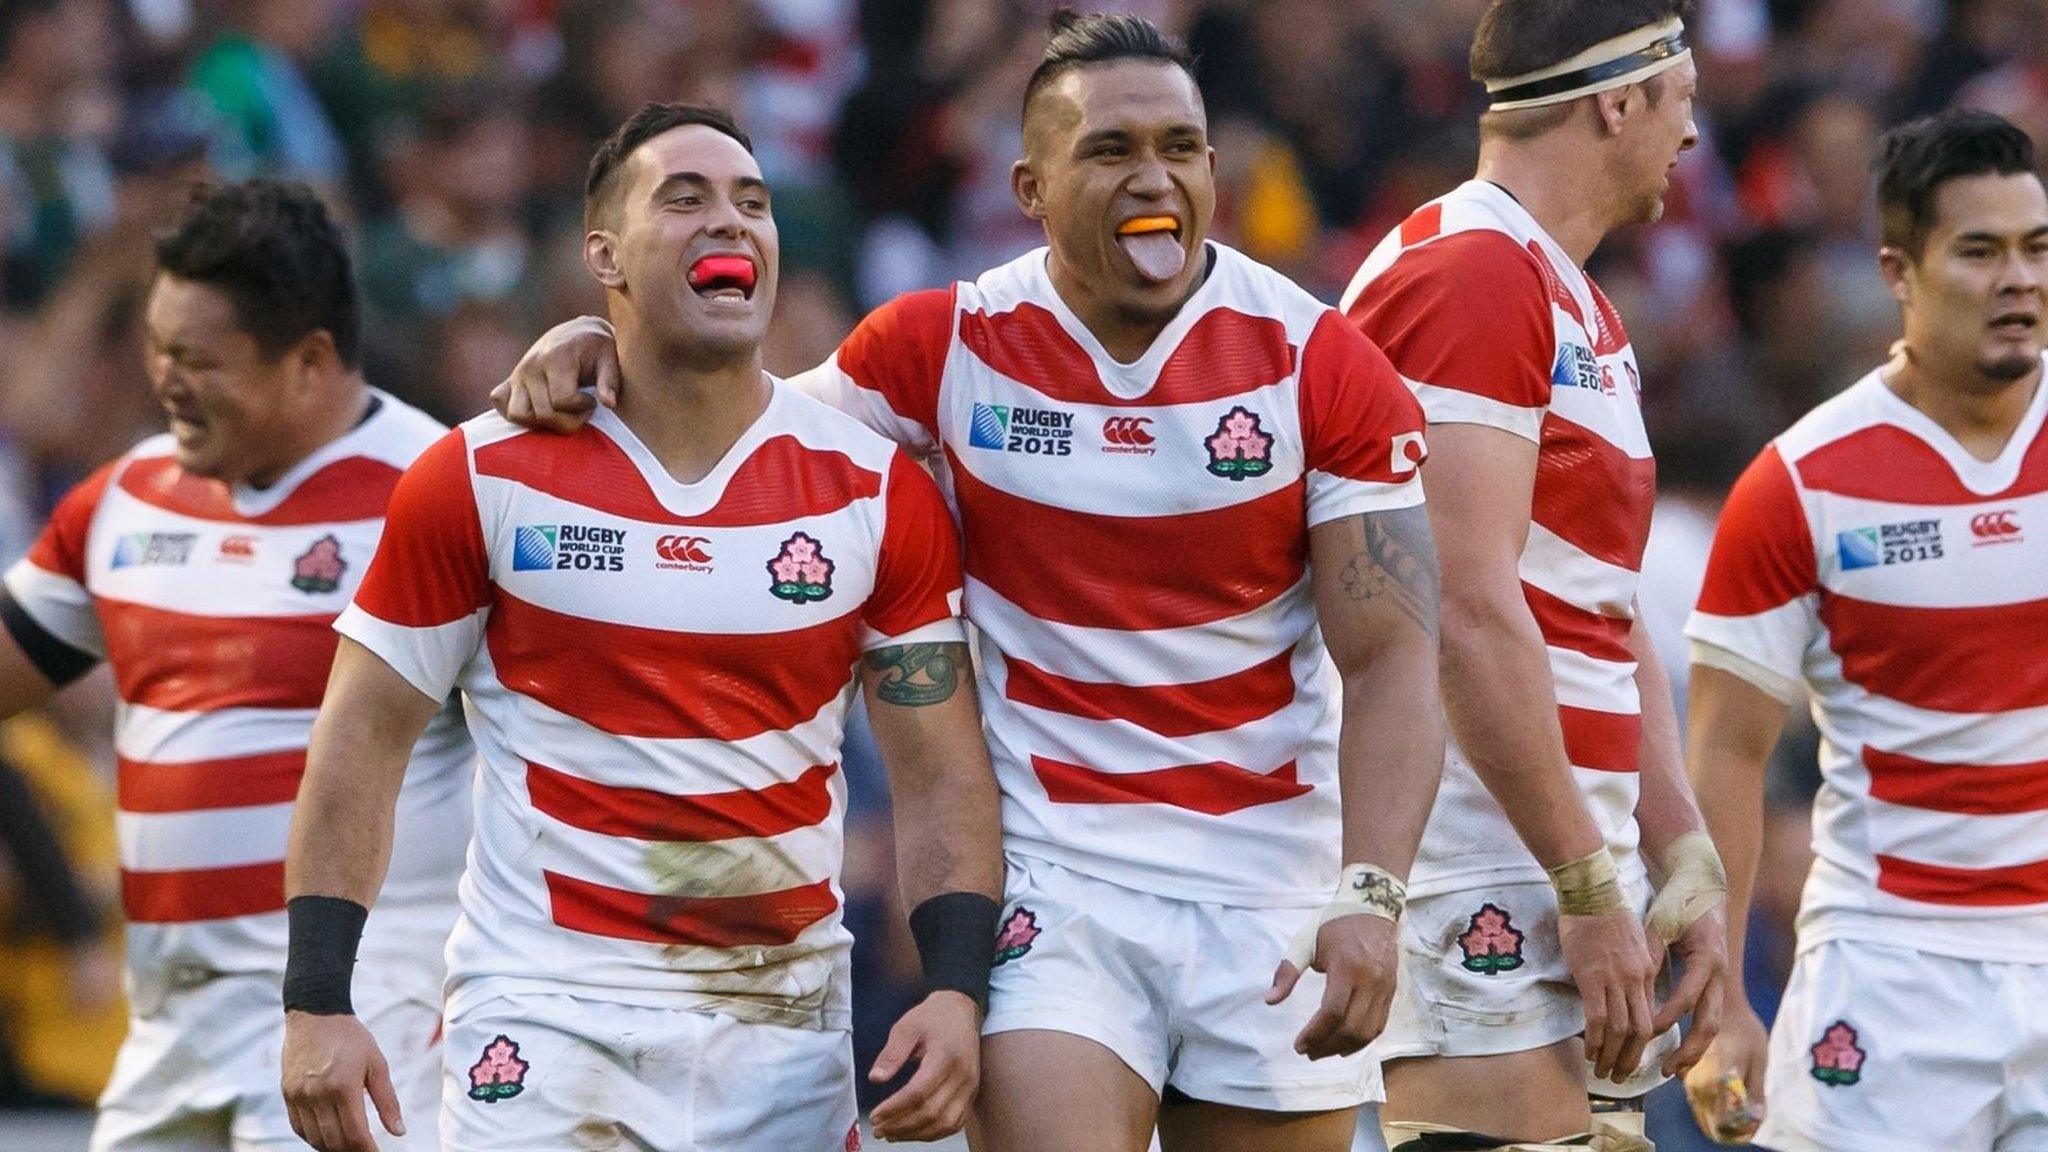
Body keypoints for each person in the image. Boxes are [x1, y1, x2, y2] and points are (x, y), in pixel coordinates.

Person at [495, 13, 1446, 1152]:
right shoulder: (943, 347)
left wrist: (1373, 895)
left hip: (1269, 887)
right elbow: (738, 436)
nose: (1154, 179)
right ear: (1031, 185)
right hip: (1057, 884)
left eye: (1178, 147)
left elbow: (1391, 654)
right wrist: (602, 345)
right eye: (1109, 152)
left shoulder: (1314, 360)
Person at [276, 103, 1004, 1152]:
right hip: (542, 1015)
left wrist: (954, 989)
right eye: (686, 198)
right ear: (603, 256)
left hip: (781, 1026)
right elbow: (358, 738)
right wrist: (315, 1000)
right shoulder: (480, 473)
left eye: (752, 203)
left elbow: (937, 771)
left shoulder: (870, 491)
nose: (731, 222)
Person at [0, 178, 469, 1152]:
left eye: (197, 358)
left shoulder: (446, 495)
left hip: (362, 1023)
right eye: (155, 347)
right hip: (168, 1031)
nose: (164, 379)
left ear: (310, 362)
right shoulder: (126, 498)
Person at [1338, 2, 1729, 1147]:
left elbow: (1599, 613)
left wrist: (1680, 866)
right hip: (1476, 860)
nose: (1693, 136)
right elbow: (1457, 607)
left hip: (1559, 867)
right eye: (1681, 98)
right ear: (1618, 100)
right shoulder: (1471, 274)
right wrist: (1587, 886)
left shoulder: (1574, 302)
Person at [1684, 109, 2048, 1152]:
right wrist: (1717, 1000)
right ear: (1898, 269)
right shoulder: (1800, 483)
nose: (2016, 279)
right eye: (1977, 251)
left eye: (2034, 249)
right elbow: (1723, 750)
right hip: (1888, 968)